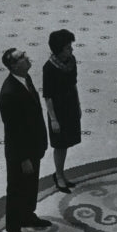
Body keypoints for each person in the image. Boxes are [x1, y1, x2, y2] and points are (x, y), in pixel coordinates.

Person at [0, 47, 51, 232]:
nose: (27, 58)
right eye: (22, 57)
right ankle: (13, 228)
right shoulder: (9, 93)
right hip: (20, 152)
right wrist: (23, 158)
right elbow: (13, 131)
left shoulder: (26, 79)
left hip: (33, 146)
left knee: (30, 185)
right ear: (13, 65)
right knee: (16, 188)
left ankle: (28, 215)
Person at [42, 28, 82, 193]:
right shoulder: (49, 68)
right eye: (67, 47)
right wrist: (53, 119)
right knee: (60, 145)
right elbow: (48, 96)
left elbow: (74, 85)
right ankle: (58, 175)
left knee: (66, 143)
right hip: (58, 110)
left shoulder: (71, 61)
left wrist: (78, 105)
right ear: (59, 49)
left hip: (70, 105)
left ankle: (61, 173)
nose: (71, 50)